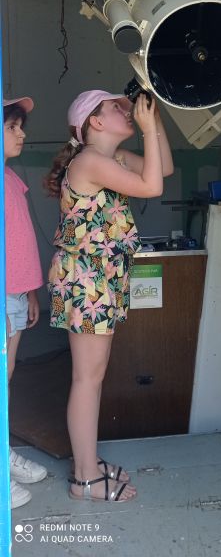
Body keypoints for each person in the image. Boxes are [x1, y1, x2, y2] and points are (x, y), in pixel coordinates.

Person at [44, 89, 173, 502]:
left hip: (99, 279)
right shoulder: (89, 162)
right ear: (95, 123)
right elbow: (152, 187)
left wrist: (157, 119)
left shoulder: (109, 160)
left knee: (92, 378)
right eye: (115, 108)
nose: (125, 110)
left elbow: (163, 168)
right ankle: (84, 478)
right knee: (87, 378)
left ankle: (88, 460)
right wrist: (149, 126)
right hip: (87, 281)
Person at [4, 96, 47, 509]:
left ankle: (3, 454)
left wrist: (31, 290)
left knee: (7, 378)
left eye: (20, 125)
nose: (22, 133)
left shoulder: (11, 177)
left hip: (16, 293)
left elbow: (19, 241)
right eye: (12, 126)